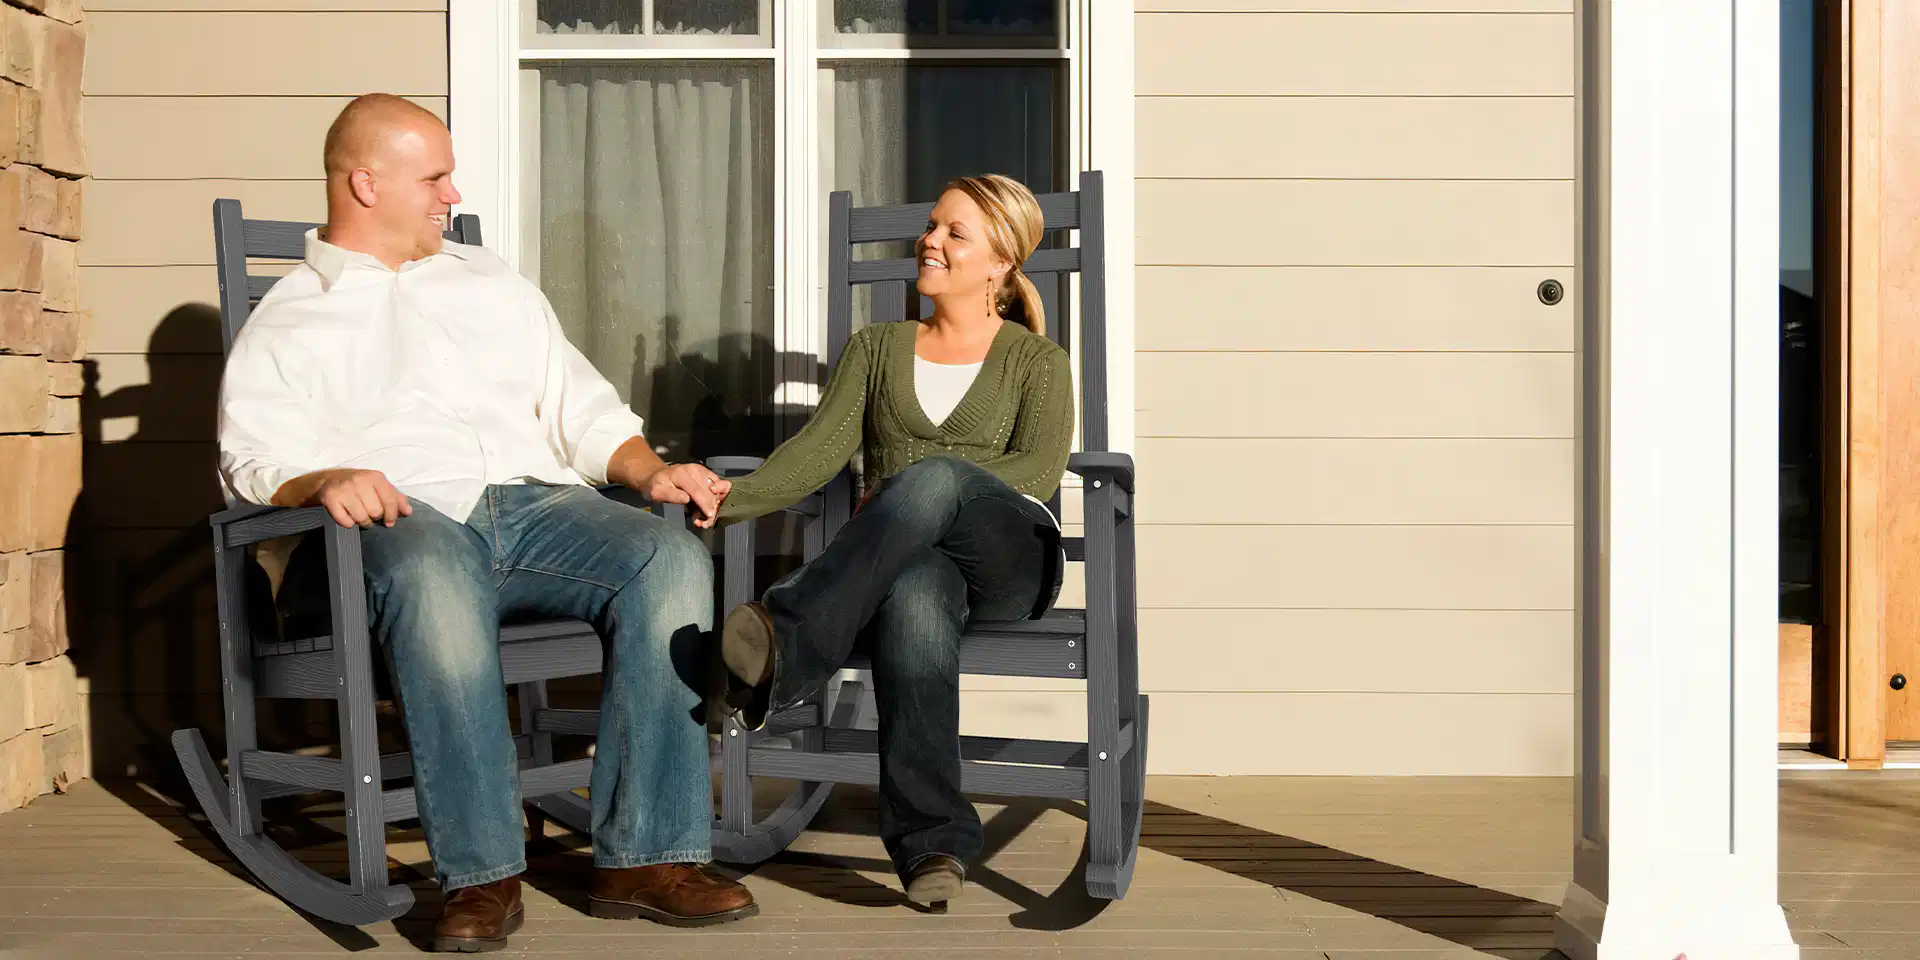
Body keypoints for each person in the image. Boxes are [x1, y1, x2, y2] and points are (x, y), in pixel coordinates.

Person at [217, 94, 756, 952]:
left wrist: (649, 470)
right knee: (434, 576)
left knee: (665, 555)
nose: (450, 193)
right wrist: (325, 477)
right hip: (401, 521)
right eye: (433, 176)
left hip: (540, 510)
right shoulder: (292, 315)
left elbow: (579, 406)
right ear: (365, 182)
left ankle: (643, 858)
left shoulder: (489, 279)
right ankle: (483, 875)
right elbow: (251, 458)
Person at [709, 174, 1074, 908]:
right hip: (909, 568)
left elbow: (1038, 470)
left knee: (934, 479)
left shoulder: (1036, 361)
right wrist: (724, 502)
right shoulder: (876, 349)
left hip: (1010, 561)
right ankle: (932, 844)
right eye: (933, 226)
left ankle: (785, 642)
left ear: (1001, 261)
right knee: (914, 595)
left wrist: (919, 483)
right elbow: (816, 455)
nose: (930, 241)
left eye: (953, 233)